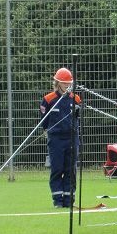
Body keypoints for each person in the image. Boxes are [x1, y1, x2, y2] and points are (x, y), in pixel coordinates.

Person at [40, 67, 82, 208]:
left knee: (71, 170)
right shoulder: (48, 99)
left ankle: (69, 200)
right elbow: (44, 121)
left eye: (69, 83)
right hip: (56, 140)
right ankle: (58, 200)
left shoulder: (75, 98)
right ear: (57, 83)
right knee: (57, 169)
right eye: (64, 83)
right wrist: (48, 131)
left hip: (72, 138)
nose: (67, 86)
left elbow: (78, 118)